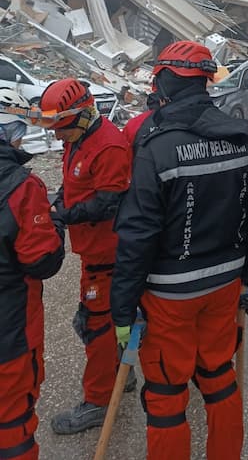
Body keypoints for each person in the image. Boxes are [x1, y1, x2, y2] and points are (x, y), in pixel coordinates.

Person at [111, 40, 248, 460]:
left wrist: (123, 308)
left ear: (165, 81)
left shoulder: (158, 147)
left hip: (170, 294)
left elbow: (137, 234)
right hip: (225, 283)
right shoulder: (243, 137)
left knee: (166, 393)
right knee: (219, 376)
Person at [42, 78, 131, 435]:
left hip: (107, 253)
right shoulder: (78, 139)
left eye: (61, 130)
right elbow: (72, 181)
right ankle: (123, 373)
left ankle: (97, 401)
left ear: (82, 114)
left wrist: (64, 215)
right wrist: (59, 201)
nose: (58, 138)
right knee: (94, 322)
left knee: (96, 327)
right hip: (92, 252)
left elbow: (109, 202)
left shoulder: (109, 147)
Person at [0, 88, 65, 460]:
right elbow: (42, 261)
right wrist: (56, 221)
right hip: (10, 330)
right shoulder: (22, 188)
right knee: (13, 427)